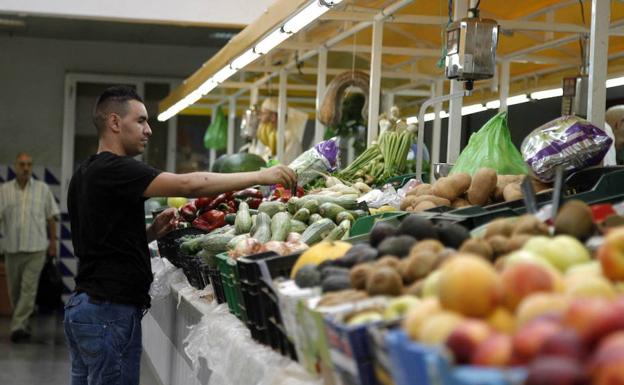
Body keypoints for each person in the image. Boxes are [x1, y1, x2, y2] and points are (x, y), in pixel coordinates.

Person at [64, 86, 295, 385]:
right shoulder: (116, 169)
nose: (148, 130)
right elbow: (189, 185)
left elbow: (100, 240)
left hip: (86, 308)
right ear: (114, 122)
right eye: (141, 121)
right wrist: (260, 176)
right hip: (109, 312)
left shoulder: (85, 172)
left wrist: (150, 233)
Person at [0, 152, 60, 343]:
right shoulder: (4, 190)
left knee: (28, 289)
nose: (25, 168)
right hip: (11, 248)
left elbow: (51, 218)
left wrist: (53, 243)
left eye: (29, 164)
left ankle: (17, 326)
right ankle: (23, 324)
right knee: (15, 291)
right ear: (15, 167)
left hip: (36, 248)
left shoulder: (42, 189)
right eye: (22, 164)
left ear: (31, 167)